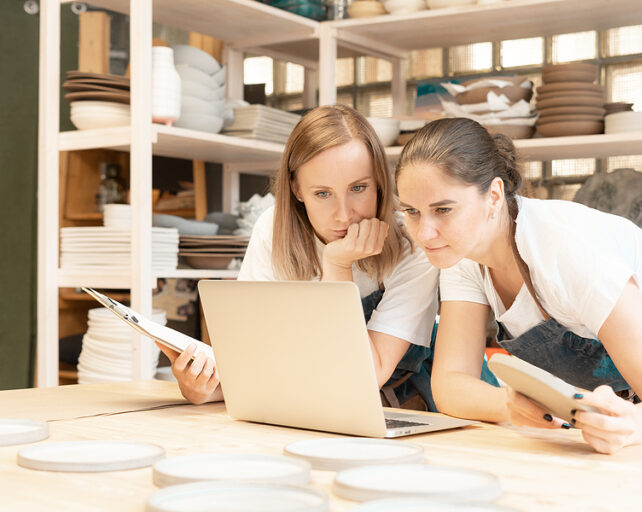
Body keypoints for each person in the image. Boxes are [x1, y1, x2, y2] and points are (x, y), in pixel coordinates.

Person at [394, 117, 642, 453]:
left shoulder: (566, 249)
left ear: (492, 196)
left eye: (443, 210)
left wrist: (629, 425)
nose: (424, 232)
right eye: (411, 211)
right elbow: (450, 384)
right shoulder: (461, 253)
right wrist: (508, 403)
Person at [157, 105, 447, 409]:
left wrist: (337, 264)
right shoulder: (272, 230)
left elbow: (364, 376)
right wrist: (205, 389)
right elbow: (259, 365)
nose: (344, 214)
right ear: (296, 189)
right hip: (313, 400)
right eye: (323, 193)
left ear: (379, 183)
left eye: (358, 188)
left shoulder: (412, 242)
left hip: (416, 404)